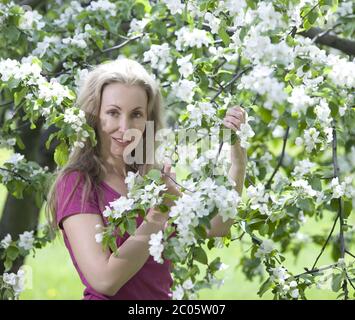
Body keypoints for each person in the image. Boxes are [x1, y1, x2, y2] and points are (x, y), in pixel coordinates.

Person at [45, 58, 247, 300]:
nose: (124, 126)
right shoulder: (78, 184)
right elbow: (104, 280)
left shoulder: (149, 177)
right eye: (113, 112)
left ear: (148, 120)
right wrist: (157, 216)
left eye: (136, 114)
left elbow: (217, 225)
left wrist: (238, 160)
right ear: (94, 115)